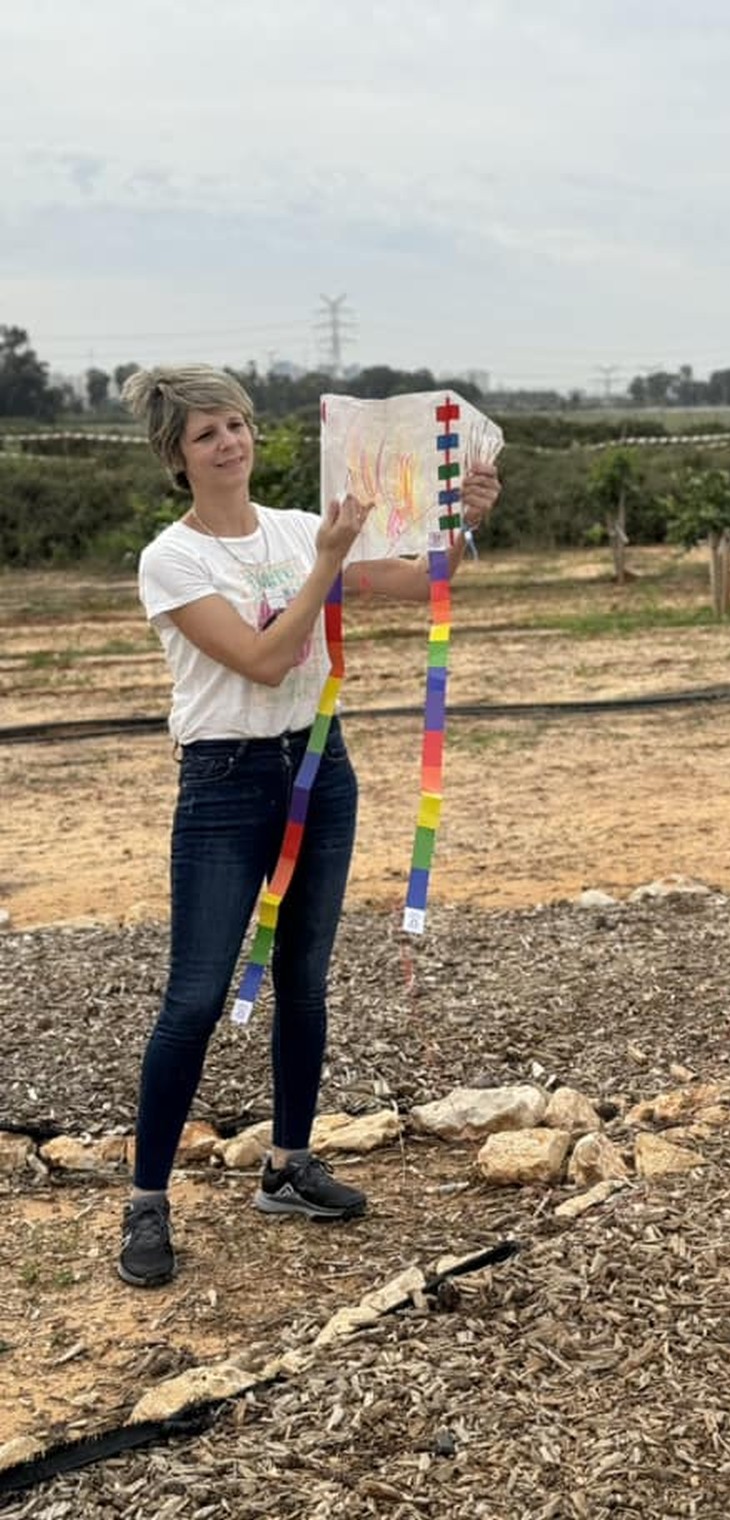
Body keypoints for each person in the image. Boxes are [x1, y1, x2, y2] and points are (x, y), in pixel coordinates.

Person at [117, 365, 501, 1288]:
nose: (231, 443)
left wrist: (469, 517)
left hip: (320, 769)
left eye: (238, 425)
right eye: (208, 433)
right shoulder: (173, 560)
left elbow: (421, 582)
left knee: (306, 979)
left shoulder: (293, 527)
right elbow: (261, 658)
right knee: (197, 995)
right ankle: (146, 1202)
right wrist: (327, 560)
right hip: (225, 784)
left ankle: (288, 1164)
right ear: (177, 454)